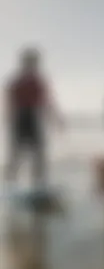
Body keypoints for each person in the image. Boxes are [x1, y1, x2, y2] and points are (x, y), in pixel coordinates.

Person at [3, 46, 63, 191]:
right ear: (24, 63)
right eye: (31, 62)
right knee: (16, 154)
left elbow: (47, 102)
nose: (33, 65)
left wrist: (56, 119)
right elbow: (7, 102)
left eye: (34, 62)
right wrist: (8, 119)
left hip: (32, 118)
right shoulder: (16, 81)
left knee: (38, 154)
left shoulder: (38, 81)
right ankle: (9, 185)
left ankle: (39, 185)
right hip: (20, 119)